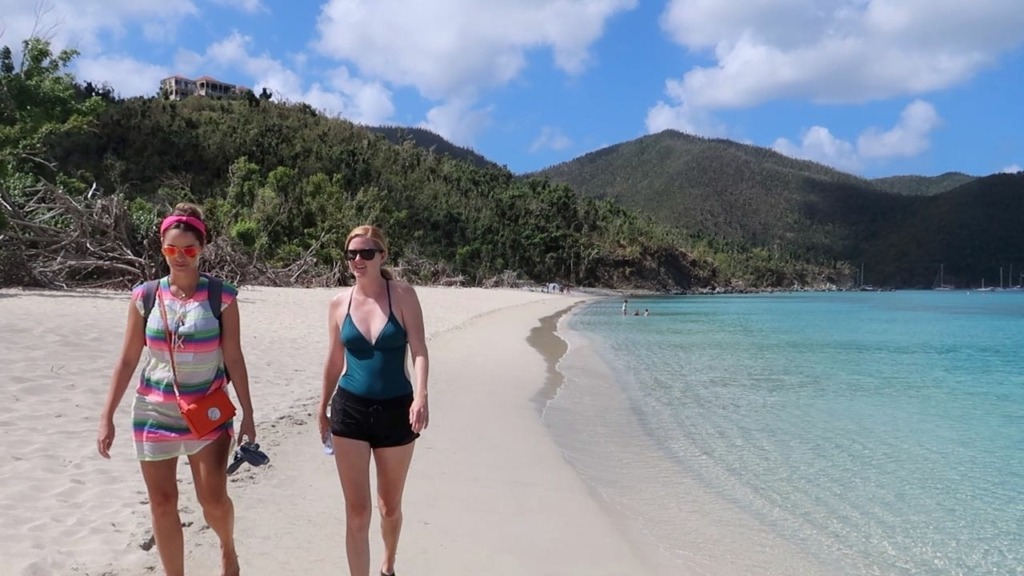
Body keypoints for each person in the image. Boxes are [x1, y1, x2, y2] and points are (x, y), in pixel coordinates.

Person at [96, 202, 255, 576]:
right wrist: (106, 416)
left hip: (208, 412)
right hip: (153, 412)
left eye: (189, 249)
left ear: (202, 249)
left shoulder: (222, 297)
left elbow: (234, 357)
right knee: (163, 502)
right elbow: (127, 359)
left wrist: (248, 413)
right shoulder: (145, 297)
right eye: (172, 249)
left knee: (212, 500)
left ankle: (227, 549)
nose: (180, 257)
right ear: (161, 248)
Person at [318, 224, 429, 576]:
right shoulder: (339, 303)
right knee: (357, 512)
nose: (358, 260)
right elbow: (335, 359)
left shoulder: (403, 294)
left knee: (389, 508)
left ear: (382, 255)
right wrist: (322, 408)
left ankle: (388, 564)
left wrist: (421, 395)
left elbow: (420, 350)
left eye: (366, 253)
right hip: (349, 410)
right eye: (352, 254)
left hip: (397, 410)